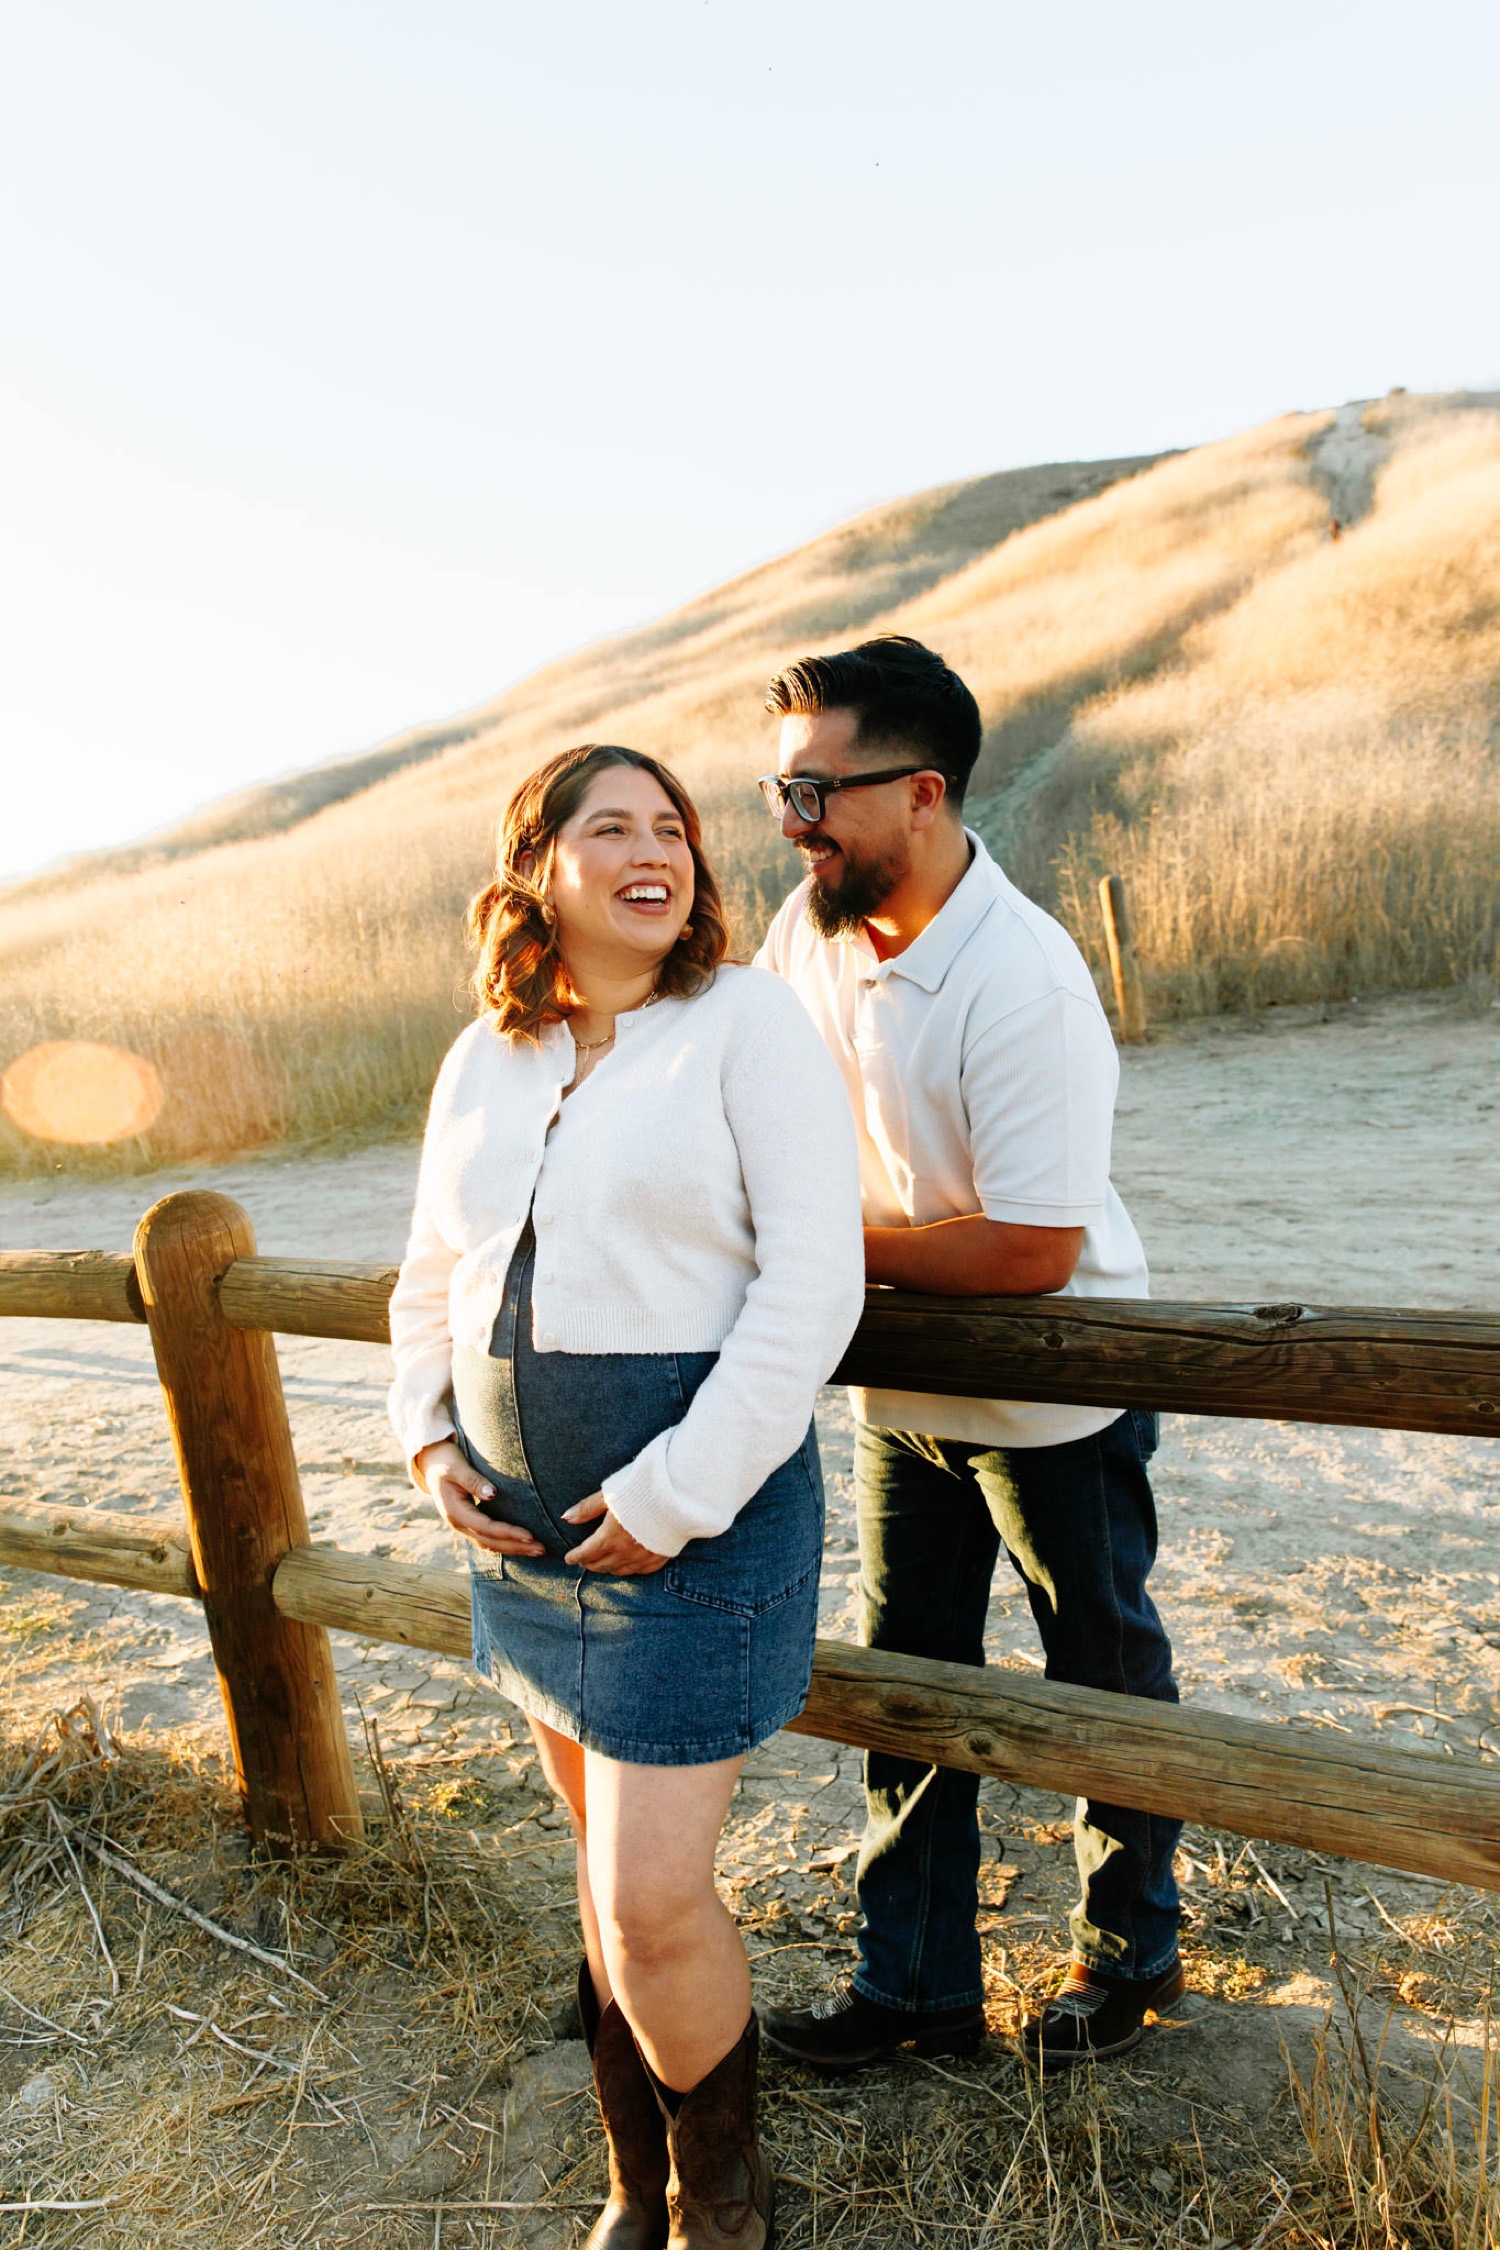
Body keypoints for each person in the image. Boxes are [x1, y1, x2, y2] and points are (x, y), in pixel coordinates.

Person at [388, 742, 864, 2246]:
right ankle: (634, 2184)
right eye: (613, 827)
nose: (657, 849)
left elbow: (815, 1281)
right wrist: (429, 1442)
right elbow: (429, 1279)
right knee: (602, 1889)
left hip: (690, 1523)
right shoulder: (487, 1052)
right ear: (539, 864)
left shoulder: (743, 1023)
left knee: (653, 1900)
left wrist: (676, 1489)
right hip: (526, 1544)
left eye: (674, 828)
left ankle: (728, 2199)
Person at [752, 636, 1184, 2069]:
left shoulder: (1027, 979)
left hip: (1054, 1392)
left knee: (1096, 1681)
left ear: (923, 792)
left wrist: (825, 1243)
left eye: (818, 792)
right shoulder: (804, 932)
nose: (794, 821)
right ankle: (916, 1991)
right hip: (900, 1393)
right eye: (783, 790)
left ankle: (1129, 1956)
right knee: (908, 1681)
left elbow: (1029, 1248)